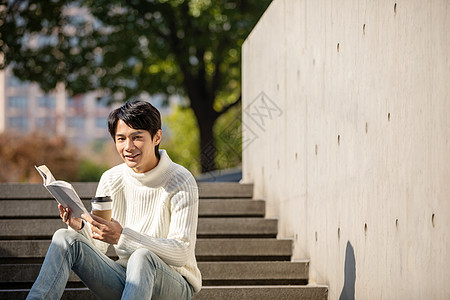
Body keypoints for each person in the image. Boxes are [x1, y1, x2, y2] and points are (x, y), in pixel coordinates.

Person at [27, 100, 202, 299]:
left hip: (174, 285)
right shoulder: (111, 179)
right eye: (121, 138)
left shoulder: (180, 179)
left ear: (157, 137)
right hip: (126, 280)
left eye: (137, 137)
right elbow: (100, 246)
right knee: (64, 238)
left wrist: (122, 237)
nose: (128, 147)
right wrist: (80, 227)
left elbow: (181, 252)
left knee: (142, 257)